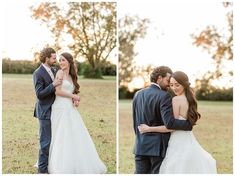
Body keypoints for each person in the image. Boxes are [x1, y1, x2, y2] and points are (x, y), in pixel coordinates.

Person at [138, 71, 217, 174]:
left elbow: (170, 126)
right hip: (188, 139)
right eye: (171, 85)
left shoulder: (176, 100)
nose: (174, 88)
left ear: (184, 84)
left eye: (177, 85)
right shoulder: (191, 99)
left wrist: (149, 129)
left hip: (178, 141)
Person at [48, 52, 107, 174]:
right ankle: (60, 165)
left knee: (74, 134)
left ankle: (76, 162)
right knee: (61, 135)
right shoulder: (59, 73)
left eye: (63, 60)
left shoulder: (71, 76)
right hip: (60, 108)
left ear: (69, 61)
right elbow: (57, 92)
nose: (61, 62)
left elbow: (72, 92)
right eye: (60, 60)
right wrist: (73, 96)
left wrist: (74, 100)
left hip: (70, 109)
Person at [132, 66, 193, 174]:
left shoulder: (137, 94)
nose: (169, 85)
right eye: (168, 81)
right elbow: (170, 123)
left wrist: (139, 138)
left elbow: (135, 121)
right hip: (157, 148)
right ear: (159, 78)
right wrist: (188, 125)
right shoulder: (164, 96)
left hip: (140, 145)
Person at [33, 47, 63, 173]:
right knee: (45, 142)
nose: (56, 60)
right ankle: (42, 171)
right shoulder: (38, 73)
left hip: (56, 110)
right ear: (47, 59)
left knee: (56, 140)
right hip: (45, 111)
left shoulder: (55, 69)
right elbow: (39, 94)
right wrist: (53, 85)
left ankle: (52, 166)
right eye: (54, 58)